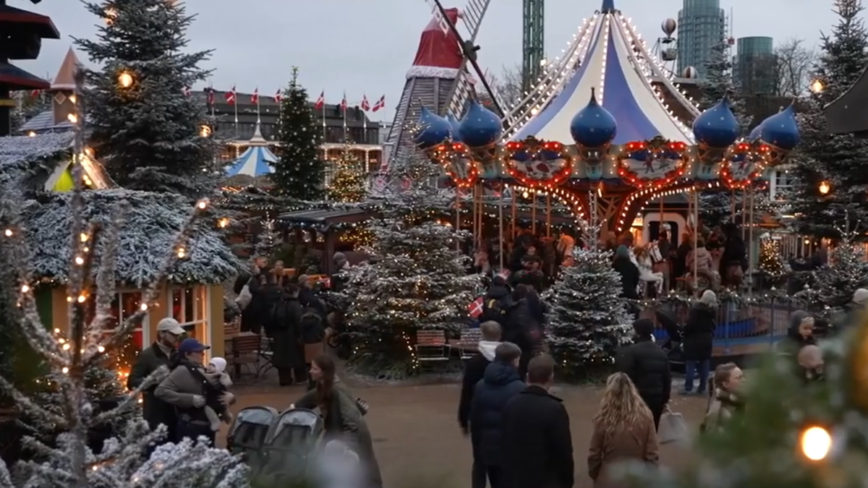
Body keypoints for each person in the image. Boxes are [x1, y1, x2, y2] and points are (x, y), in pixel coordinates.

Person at [292, 355, 382, 488]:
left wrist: (349, 442)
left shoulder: (336, 390)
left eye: (314, 369)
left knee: (363, 468)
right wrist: (293, 409)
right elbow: (310, 399)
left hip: (350, 433)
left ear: (323, 372)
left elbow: (350, 417)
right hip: (336, 431)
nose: (310, 371)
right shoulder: (323, 387)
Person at [501, 355, 574, 488]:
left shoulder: (511, 404)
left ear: (527, 376)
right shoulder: (555, 409)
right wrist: (567, 482)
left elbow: (504, 444)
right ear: (551, 378)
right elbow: (563, 452)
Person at [155, 338, 235, 445]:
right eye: (199, 352)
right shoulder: (181, 370)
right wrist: (190, 399)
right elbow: (160, 391)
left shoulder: (200, 368)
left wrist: (231, 397)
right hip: (191, 428)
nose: (202, 354)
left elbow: (215, 391)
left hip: (207, 427)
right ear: (187, 354)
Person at [469, 343, 527, 488]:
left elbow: (475, 421)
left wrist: (479, 450)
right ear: (514, 361)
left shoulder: (480, 386)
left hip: (487, 450)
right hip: (511, 455)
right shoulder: (520, 389)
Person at [587, 373, 659, 488]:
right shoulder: (646, 415)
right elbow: (652, 454)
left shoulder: (603, 417)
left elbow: (594, 455)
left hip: (608, 478)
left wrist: (597, 475)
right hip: (637, 479)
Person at [458, 321, 502, 488]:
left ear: (482, 336)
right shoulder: (507, 361)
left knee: (479, 462)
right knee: (500, 464)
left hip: (479, 418)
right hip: (503, 417)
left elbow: (466, 392)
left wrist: (463, 419)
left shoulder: (475, 363)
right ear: (500, 335)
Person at [127, 317, 185, 443]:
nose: (177, 338)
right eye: (174, 335)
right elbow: (132, 381)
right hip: (156, 414)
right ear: (162, 334)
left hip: (178, 412)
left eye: (178, 335)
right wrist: (154, 380)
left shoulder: (178, 354)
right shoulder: (147, 356)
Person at [615, 319, 671, 428]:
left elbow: (625, 376)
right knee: (652, 432)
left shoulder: (631, 352)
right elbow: (667, 380)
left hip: (636, 399)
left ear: (637, 332)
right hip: (656, 401)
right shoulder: (661, 354)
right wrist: (664, 400)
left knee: (634, 431)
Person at [268, 283, 306, 386]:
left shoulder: (278, 303)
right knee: (298, 357)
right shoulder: (295, 304)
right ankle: (300, 379)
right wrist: (301, 334)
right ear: (294, 293)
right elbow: (299, 320)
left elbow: (271, 318)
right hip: (292, 335)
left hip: (279, 335)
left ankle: (284, 380)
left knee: (282, 359)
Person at [681, 290, 717, 396]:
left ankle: (688, 388)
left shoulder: (695, 310)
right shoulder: (712, 311)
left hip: (693, 339)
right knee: (704, 364)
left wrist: (684, 331)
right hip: (706, 339)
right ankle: (702, 387)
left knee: (691, 364)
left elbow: (690, 324)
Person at [702, 363, 745, 433]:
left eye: (743, 376)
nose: (744, 381)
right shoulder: (718, 413)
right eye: (739, 378)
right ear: (725, 384)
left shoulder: (739, 402)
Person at [203, 357, 234, 432]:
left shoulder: (222, 375)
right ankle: (217, 421)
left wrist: (222, 376)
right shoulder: (205, 374)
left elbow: (228, 383)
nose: (209, 367)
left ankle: (229, 419)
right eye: (209, 364)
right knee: (211, 409)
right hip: (211, 398)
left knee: (223, 408)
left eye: (213, 365)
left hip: (219, 395)